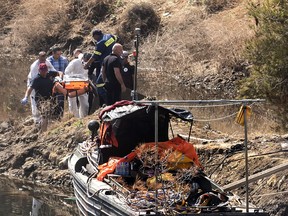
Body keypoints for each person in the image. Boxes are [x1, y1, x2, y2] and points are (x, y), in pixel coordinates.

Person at [21, 63, 89, 131]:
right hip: (41, 101)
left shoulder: (50, 74)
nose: (44, 73)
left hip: (51, 98)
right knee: (45, 115)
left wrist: (60, 77)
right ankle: (43, 132)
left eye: (45, 71)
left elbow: (60, 72)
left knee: (54, 114)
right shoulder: (36, 79)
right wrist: (26, 97)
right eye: (42, 71)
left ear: (47, 70)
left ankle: (50, 129)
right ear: (39, 71)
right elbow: (30, 88)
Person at [84, 30, 118, 106]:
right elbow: (116, 38)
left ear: (96, 35)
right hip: (114, 60)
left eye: (93, 37)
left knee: (99, 84)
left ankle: (108, 102)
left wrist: (87, 64)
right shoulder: (109, 36)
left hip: (106, 64)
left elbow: (95, 56)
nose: (94, 39)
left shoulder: (100, 43)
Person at [27, 51, 58, 123]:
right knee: (34, 100)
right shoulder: (34, 66)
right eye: (41, 59)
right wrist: (26, 96)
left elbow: (53, 70)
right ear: (39, 58)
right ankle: (36, 120)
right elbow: (35, 79)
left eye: (44, 59)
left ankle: (46, 117)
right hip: (34, 81)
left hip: (43, 79)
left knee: (46, 99)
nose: (43, 61)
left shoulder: (47, 62)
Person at [64, 49, 89, 118]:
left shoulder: (89, 64)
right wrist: (74, 78)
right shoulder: (75, 62)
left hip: (83, 83)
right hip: (72, 83)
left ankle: (84, 117)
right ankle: (75, 118)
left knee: (85, 102)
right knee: (72, 103)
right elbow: (67, 72)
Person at [47, 47, 69, 119]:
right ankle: (53, 115)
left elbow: (67, 70)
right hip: (51, 82)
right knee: (52, 98)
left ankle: (60, 116)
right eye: (57, 54)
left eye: (60, 54)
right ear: (53, 53)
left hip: (61, 82)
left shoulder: (64, 60)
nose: (59, 55)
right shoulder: (48, 61)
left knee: (61, 99)